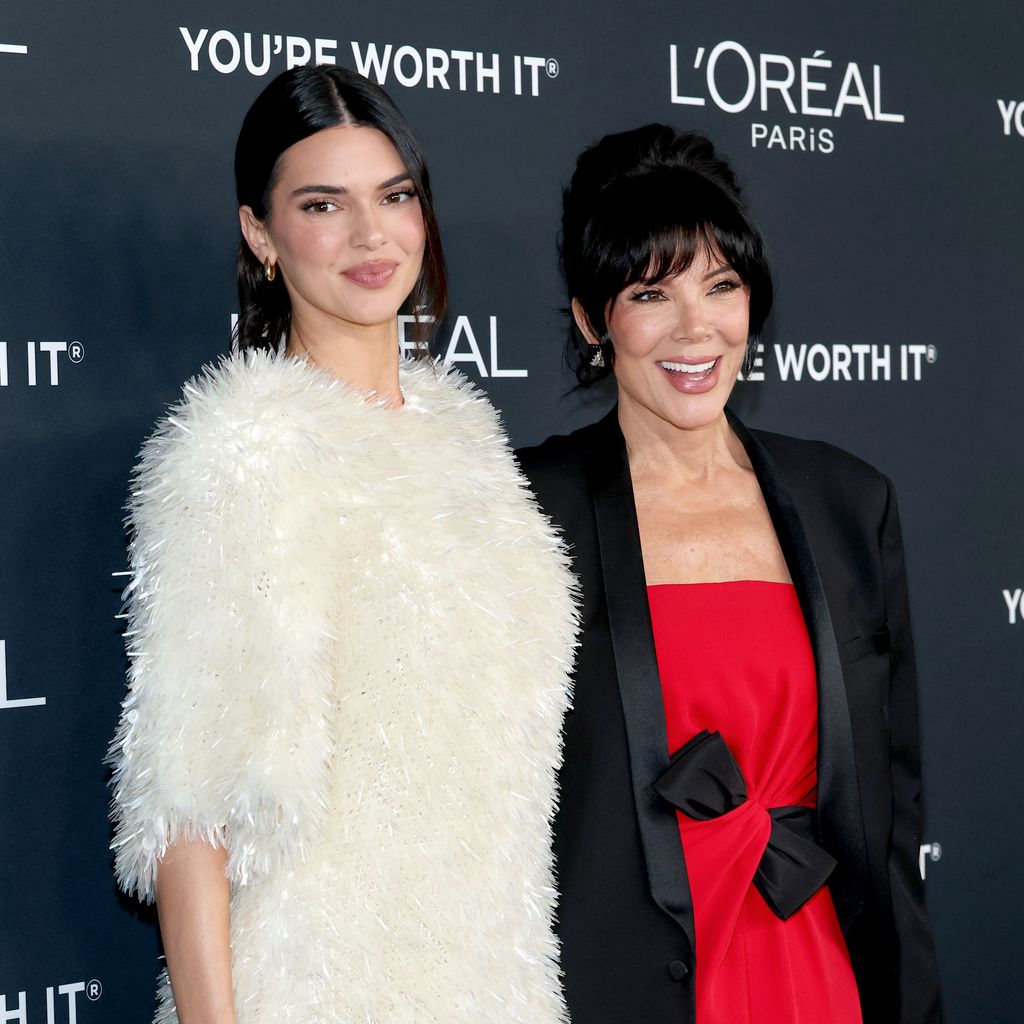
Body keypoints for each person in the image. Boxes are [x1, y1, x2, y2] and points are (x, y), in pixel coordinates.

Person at [107, 65, 577, 1024]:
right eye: (324, 204)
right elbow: (189, 807)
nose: (373, 236)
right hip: (319, 986)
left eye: (394, 196)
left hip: (493, 979)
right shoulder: (244, 449)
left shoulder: (462, 436)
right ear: (260, 234)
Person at [516, 125, 942, 1024]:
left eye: (722, 286)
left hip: (814, 970)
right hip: (614, 988)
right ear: (596, 320)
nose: (695, 329)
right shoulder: (525, 512)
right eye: (650, 293)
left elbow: (894, 822)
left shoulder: (848, 506)